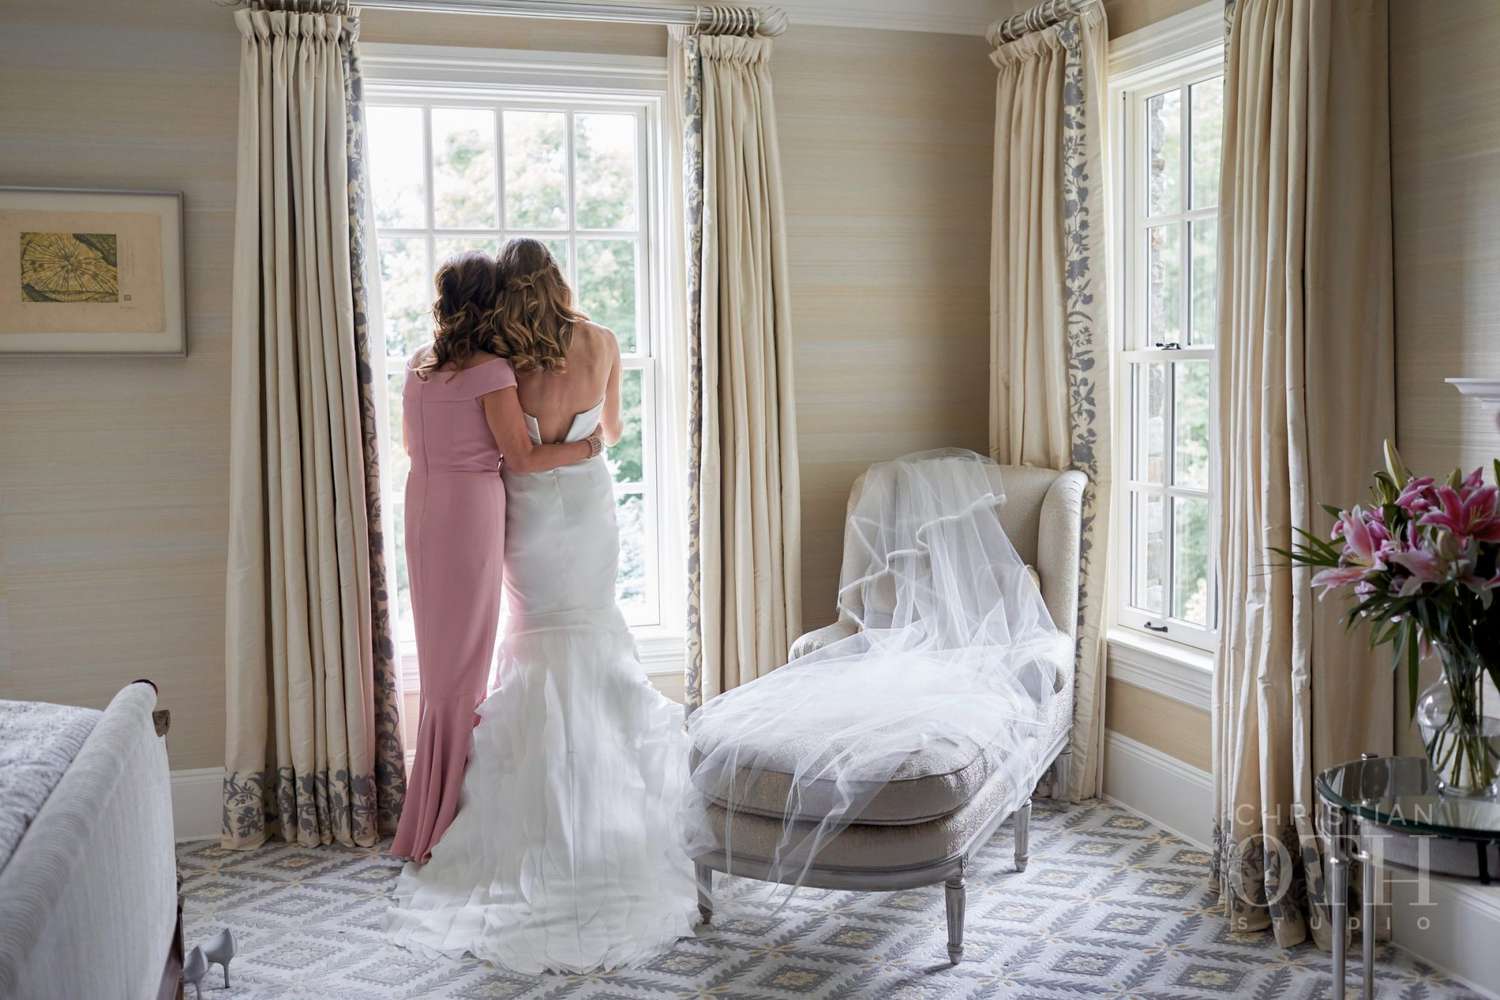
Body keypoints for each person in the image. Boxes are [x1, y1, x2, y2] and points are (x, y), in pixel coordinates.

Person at [386, 239, 708, 973]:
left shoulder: (509, 362)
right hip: (590, 509)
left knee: (534, 641)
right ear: (560, 280)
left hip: (528, 515)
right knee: (594, 632)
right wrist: (585, 441)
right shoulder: (602, 341)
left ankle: (524, 822)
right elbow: (612, 433)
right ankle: (612, 817)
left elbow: (498, 451)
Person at [389, 251, 599, 864]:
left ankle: (426, 807)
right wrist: (586, 447)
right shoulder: (491, 373)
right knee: (468, 661)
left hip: (422, 507)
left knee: (440, 663)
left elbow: (410, 443)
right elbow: (523, 458)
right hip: (470, 511)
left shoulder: (418, 368)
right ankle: (447, 816)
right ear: (490, 304)